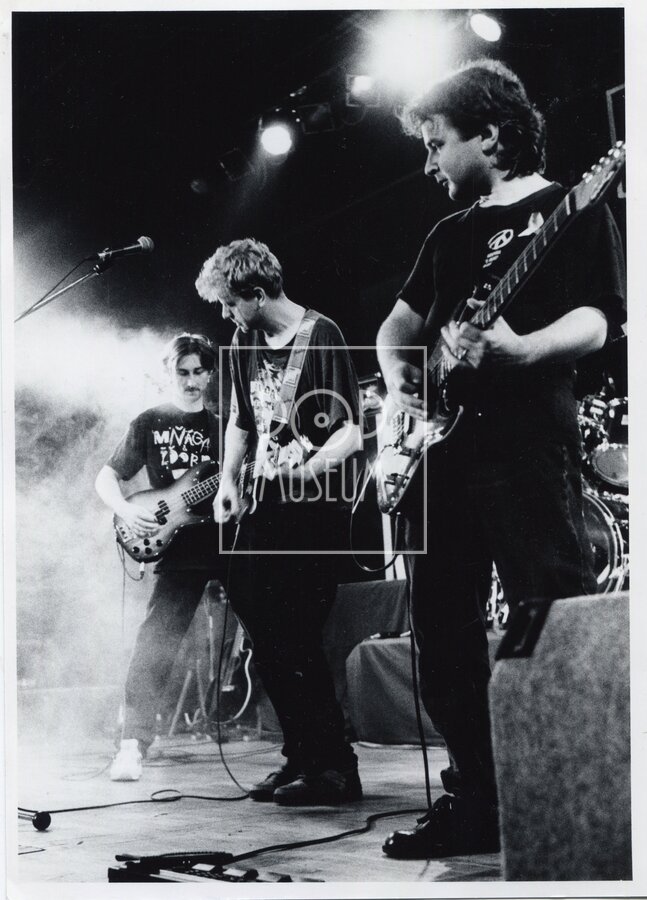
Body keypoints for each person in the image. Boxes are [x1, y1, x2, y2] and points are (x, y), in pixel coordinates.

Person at [376, 60, 626, 858]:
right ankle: (478, 801)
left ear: (489, 135)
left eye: (435, 143)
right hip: (443, 450)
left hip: (525, 441)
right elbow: (396, 327)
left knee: (549, 613)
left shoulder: (569, 205)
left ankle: (575, 799)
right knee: (440, 629)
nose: (428, 162)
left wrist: (523, 351)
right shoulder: (447, 234)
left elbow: (599, 319)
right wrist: (403, 384)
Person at [195, 238, 363, 805]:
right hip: (263, 504)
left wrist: (308, 470)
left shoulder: (323, 334)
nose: (226, 315)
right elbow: (241, 422)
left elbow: (350, 433)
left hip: (314, 507)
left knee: (297, 633)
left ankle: (335, 766)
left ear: (258, 294)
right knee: (261, 626)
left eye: (229, 303)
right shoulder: (242, 342)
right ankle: (301, 756)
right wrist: (228, 481)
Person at [96, 333, 225, 780]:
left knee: (271, 635)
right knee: (154, 644)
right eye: (181, 372)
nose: (190, 381)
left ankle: (304, 753)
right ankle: (131, 744)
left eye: (198, 372)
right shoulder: (149, 422)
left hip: (226, 542)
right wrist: (127, 508)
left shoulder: (225, 427)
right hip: (177, 548)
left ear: (210, 374)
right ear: (169, 373)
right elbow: (106, 478)